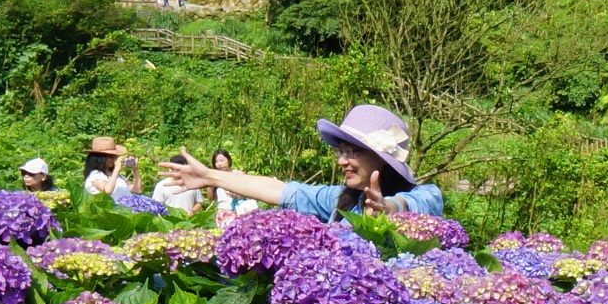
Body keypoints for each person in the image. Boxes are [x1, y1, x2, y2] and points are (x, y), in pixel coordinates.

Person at [161, 103, 447, 223]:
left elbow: (417, 206)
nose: (342, 161)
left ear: (383, 160)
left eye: (352, 152)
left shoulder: (425, 195)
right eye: (340, 151)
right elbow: (277, 190)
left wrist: (389, 208)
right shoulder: (341, 201)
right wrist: (210, 176)